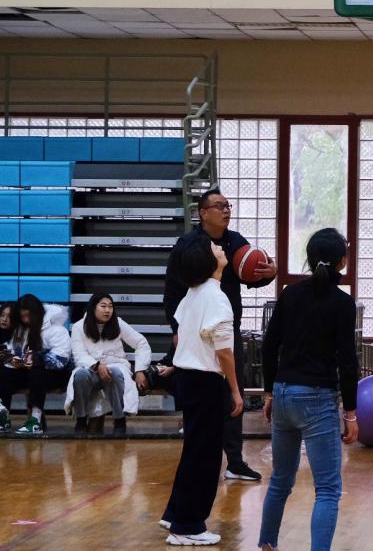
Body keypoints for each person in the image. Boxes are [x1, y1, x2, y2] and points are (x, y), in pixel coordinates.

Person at [163, 187, 276, 481]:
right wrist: (177, 330)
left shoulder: (235, 242)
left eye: (228, 205)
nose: (226, 210)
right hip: (195, 331)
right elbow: (172, 291)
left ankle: (234, 462)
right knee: (202, 394)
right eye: (219, 206)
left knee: (231, 394)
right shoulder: (187, 244)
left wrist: (270, 273)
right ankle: (197, 458)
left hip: (226, 329)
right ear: (203, 213)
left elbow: (252, 275)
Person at [258, 229, 360, 551]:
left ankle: (267, 545)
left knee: (280, 481)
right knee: (327, 489)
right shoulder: (342, 303)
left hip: (283, 393)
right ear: (342, 260)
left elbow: (269, 345)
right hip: (317, 398)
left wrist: (269, 392)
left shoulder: (290, 294)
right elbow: (347, 361)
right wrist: (351, 413)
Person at [160, 235, 243, 546]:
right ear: (209, 261)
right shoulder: (216, 298)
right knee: (206, 457)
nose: (220, 248)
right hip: (205, 382)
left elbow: (182, 337)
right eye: (214, 248)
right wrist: (235, 390)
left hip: (188, 379)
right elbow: (225, 353)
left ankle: (175, 513)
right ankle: (188, 525)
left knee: (193, 451)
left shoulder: (192, 294)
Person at [65, 293, 153, 437]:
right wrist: (97, 366)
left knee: (115, 372)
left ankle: (119, 421)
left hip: (115, 366)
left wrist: (140, 370)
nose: (107, 310)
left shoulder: (118, 323)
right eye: (103, 306)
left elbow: (141, 343)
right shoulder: (79, 327)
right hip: (89, 369)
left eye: (110, 307)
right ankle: (81, 421)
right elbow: (79, 355)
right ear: (93, 308)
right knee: (80, 376)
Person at [0, 295, 72, 434]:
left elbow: (61, 360)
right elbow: (13, 351)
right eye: (22, 317)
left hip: (56, 375)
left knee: (37, 367)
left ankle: (35, 421)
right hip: (29, 373)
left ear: (37, 313)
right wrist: (13, 360)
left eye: (28, 316)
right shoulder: (21, 329)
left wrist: (35, 359)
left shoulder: (57, 329)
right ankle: (3, 417)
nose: (26, 320)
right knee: (4, 370)